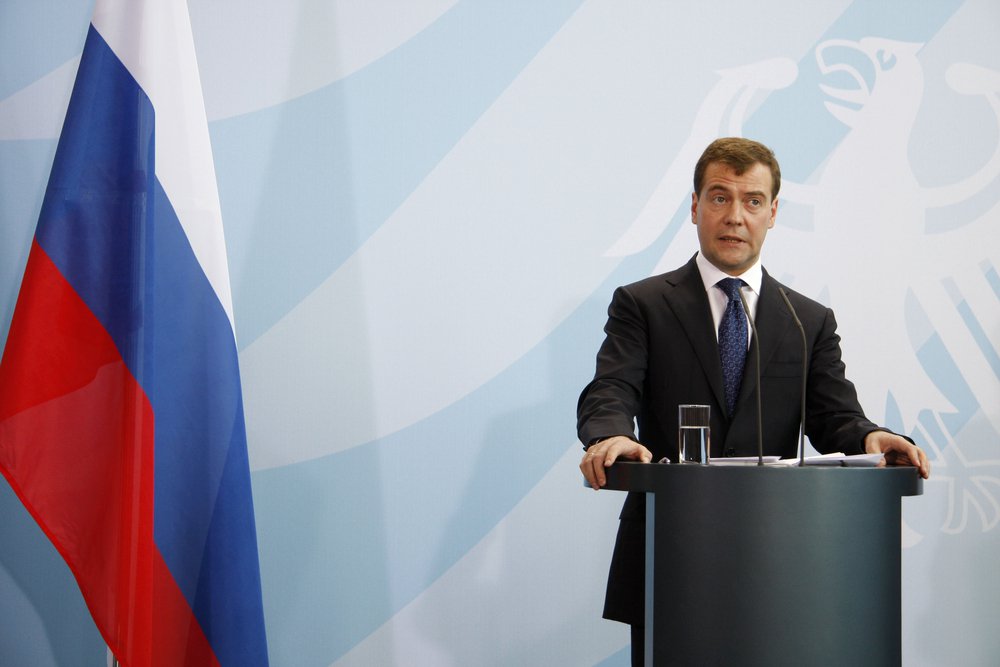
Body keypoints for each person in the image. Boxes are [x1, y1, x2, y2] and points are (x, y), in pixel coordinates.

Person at [576, 137, 930, 665]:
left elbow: (837, 416)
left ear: (773, 213)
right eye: (719, 198)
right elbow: (611, 388)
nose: (735, 217)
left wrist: (869, 437)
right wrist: (612, 435)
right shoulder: (643, 304)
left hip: (780, 558)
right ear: (694, 207)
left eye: (753, 201)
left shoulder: (805, 319)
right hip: (672, 555)